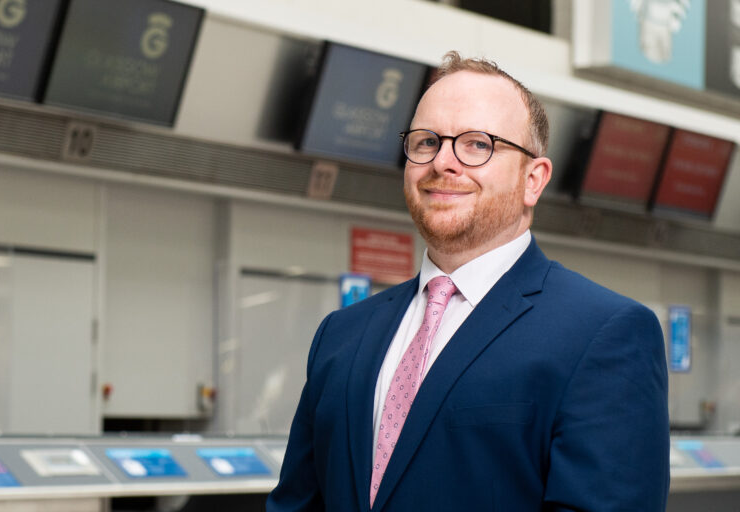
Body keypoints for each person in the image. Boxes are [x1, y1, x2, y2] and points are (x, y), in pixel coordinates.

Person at [267, 52, 669, 511]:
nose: (443, 162)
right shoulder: (341, 335)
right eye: (426, 141)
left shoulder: (604, 334)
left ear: (533, 180)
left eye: (477, 144)